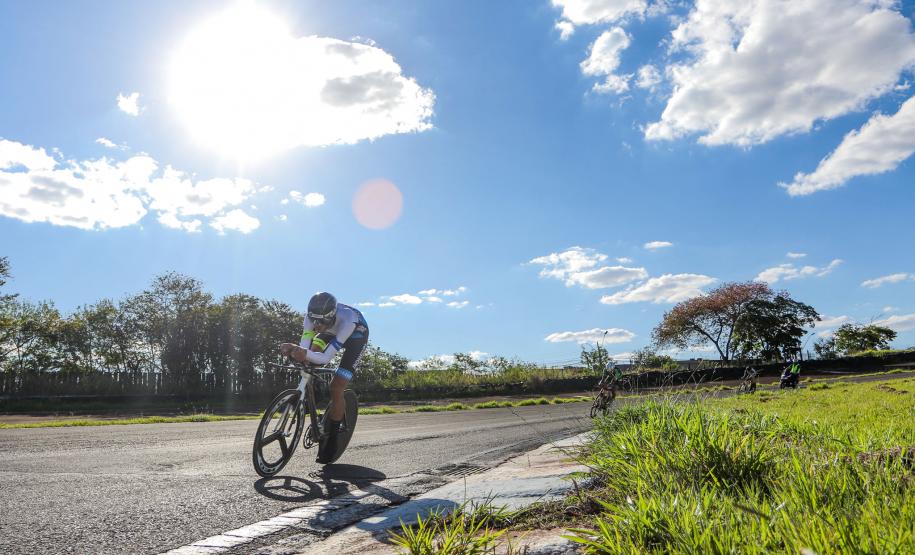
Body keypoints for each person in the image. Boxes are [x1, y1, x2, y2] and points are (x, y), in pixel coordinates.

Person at [279, 292, 369, 463]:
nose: (317, 325)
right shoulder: (311, 319)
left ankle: (333, 437)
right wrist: (297, 351)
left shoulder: (348, 321)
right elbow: (305, 349)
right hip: (330, 332)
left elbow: (326, 358)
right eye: (314, 321)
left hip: (356, 337)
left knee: (336, 387)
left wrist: (302, 352)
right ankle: (314, 392)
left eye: (321, 322)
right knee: (309, 356)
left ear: (332, 316)